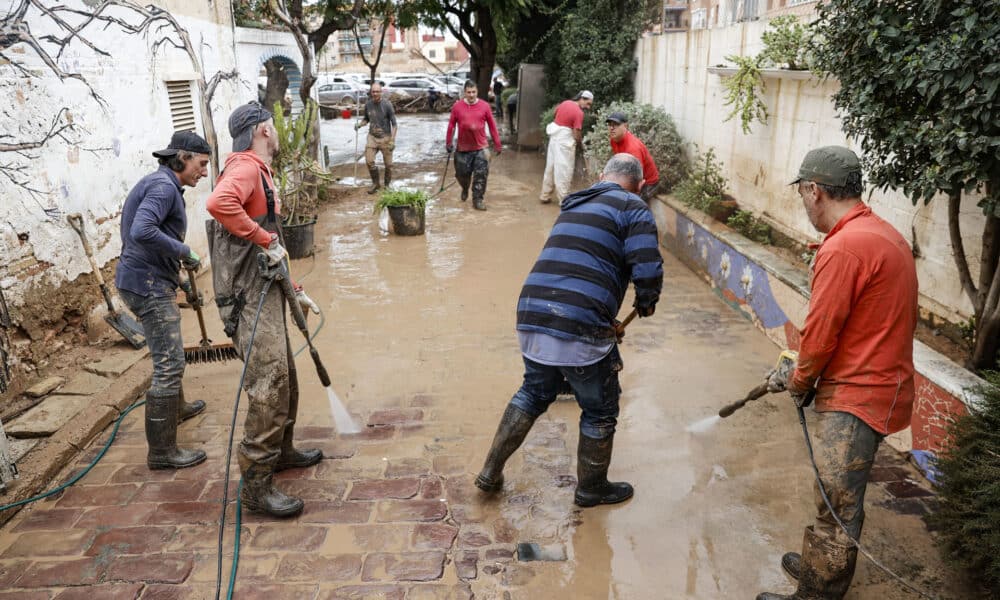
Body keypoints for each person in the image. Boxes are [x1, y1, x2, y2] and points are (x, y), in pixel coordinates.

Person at [757, 147, 918, 600]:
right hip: (879, 383)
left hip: (858, 393)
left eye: (803, 194)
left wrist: (801, 380)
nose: (804, 203)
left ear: (815, 190)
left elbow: (822, 331)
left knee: (837, 502)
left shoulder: (845, 248)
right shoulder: (880, 233)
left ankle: (818, 593)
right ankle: (816, 568)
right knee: (838, 490)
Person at [474, 153, 663, 507]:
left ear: (602, 175)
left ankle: (490, 471)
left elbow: (581, 262)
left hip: (532, 311)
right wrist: (647, 302)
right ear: (637, 185)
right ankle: (592, 488)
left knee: (533, 393)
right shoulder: (633, 207)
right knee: (600, 409)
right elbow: (647, 268)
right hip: (578, 322)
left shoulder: (576, 204)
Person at [206, 102, 323, 518]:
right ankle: (256, 487)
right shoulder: (245, 167)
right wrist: (262, 237)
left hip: (264, 290)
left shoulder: (256, 170)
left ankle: (282, 451)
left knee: (286, 378)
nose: (275, 130)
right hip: (248, 300)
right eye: (271, 125)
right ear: (263, 130)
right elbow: (220, 204)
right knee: (269, 386)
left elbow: (266, 244)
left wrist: (293, 286)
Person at [115, 131, 212, 471]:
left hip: (148, 279)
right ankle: (161, 452)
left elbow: (149, 237)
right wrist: (184, 250)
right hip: (147, 285)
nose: (203, 171)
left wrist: (178, 274)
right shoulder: (162, 187)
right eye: (201, 164)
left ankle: (179, 408)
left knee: (170, 352)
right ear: (182, 158)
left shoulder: (162, 184)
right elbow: (142, 230)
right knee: (169, 364)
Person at [445, 80, 502, 211]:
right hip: (463, 148)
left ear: (477, 92)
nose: (471, 95)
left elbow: (492, 127)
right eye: (468, 92)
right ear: (464, 93)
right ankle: (465, 187)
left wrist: (497, 144)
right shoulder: (457, 107)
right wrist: (448, 142)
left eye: (474, 92)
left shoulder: (485, 106)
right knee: (462, 174)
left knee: (481, 175)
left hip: (481, 148)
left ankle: (478, 199)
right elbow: (451, 125)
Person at [540, 90, 593, 204]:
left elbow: (555, 113)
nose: (588, 107)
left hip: (554, 138)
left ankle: (545, 195)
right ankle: (564, 200)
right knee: (564, 170)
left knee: (551, 167)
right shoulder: (579, 113)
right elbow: (576, 132)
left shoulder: (565, 103)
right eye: (588, 103)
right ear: (582, 99)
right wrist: (580, 144)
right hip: (565, 142)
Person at [606, 112, 660, 202]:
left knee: (632, 205)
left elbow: (637, 179)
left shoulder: (633, 148)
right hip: (630, 174)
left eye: (616, 125)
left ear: (626, 126)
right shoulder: (614, 140)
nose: (612, 128)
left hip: (648, 183)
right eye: (610, 125)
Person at [355, 82, 398, 195]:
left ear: (381, 92)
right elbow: (366, 119)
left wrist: (392, 140)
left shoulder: (387, 105)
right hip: (372, 137)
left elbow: (394, 125)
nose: (375, 94)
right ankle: (376, 183)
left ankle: (387, 185)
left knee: (388, 165)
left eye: (377, 91)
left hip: (385, 137)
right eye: (373, 91)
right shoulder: (368, 104)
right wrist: (360, 124)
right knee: (369, 161)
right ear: (371, 92)